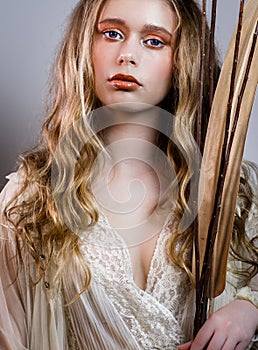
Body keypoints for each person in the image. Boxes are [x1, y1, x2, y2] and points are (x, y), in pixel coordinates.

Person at [0, 0, 257, 349]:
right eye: (112, 33)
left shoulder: (235, 192)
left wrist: (249, 310)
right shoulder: (32, 198)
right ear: (86, 47)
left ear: (183, 60)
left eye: (154, 41)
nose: (127, 55)